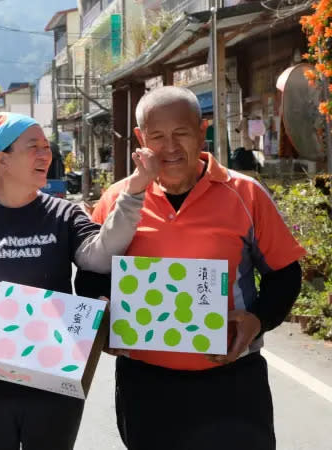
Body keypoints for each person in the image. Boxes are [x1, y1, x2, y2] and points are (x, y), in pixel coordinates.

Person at [92, 86, 304, 450]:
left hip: (232, 380)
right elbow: (92, 274)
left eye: (181, 133)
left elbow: (284, 274)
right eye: (157, 136)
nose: (170, 147)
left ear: (202, 130)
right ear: (142, 139)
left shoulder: (246, 193)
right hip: (145, 386)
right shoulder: (118, 199)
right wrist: (103, 321)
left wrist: (258, 320)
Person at [0, 112, 159, 450]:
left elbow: (99, 256)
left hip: (53, 378)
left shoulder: (64, 214)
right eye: (32, 147)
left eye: (46, 146)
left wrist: (135, 192)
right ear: (1, 159)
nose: (45, 155)